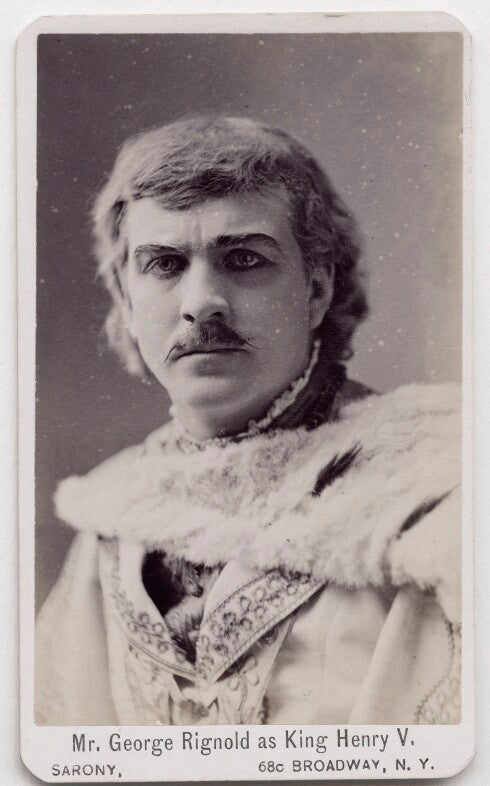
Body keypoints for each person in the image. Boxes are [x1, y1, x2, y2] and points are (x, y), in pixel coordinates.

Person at [35, 115, 461, 726]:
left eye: (243, 258)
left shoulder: (433, 489)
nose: (201, 303)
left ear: (317, 289)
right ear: (127, 301)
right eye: (164, 264)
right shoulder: (112, 514)